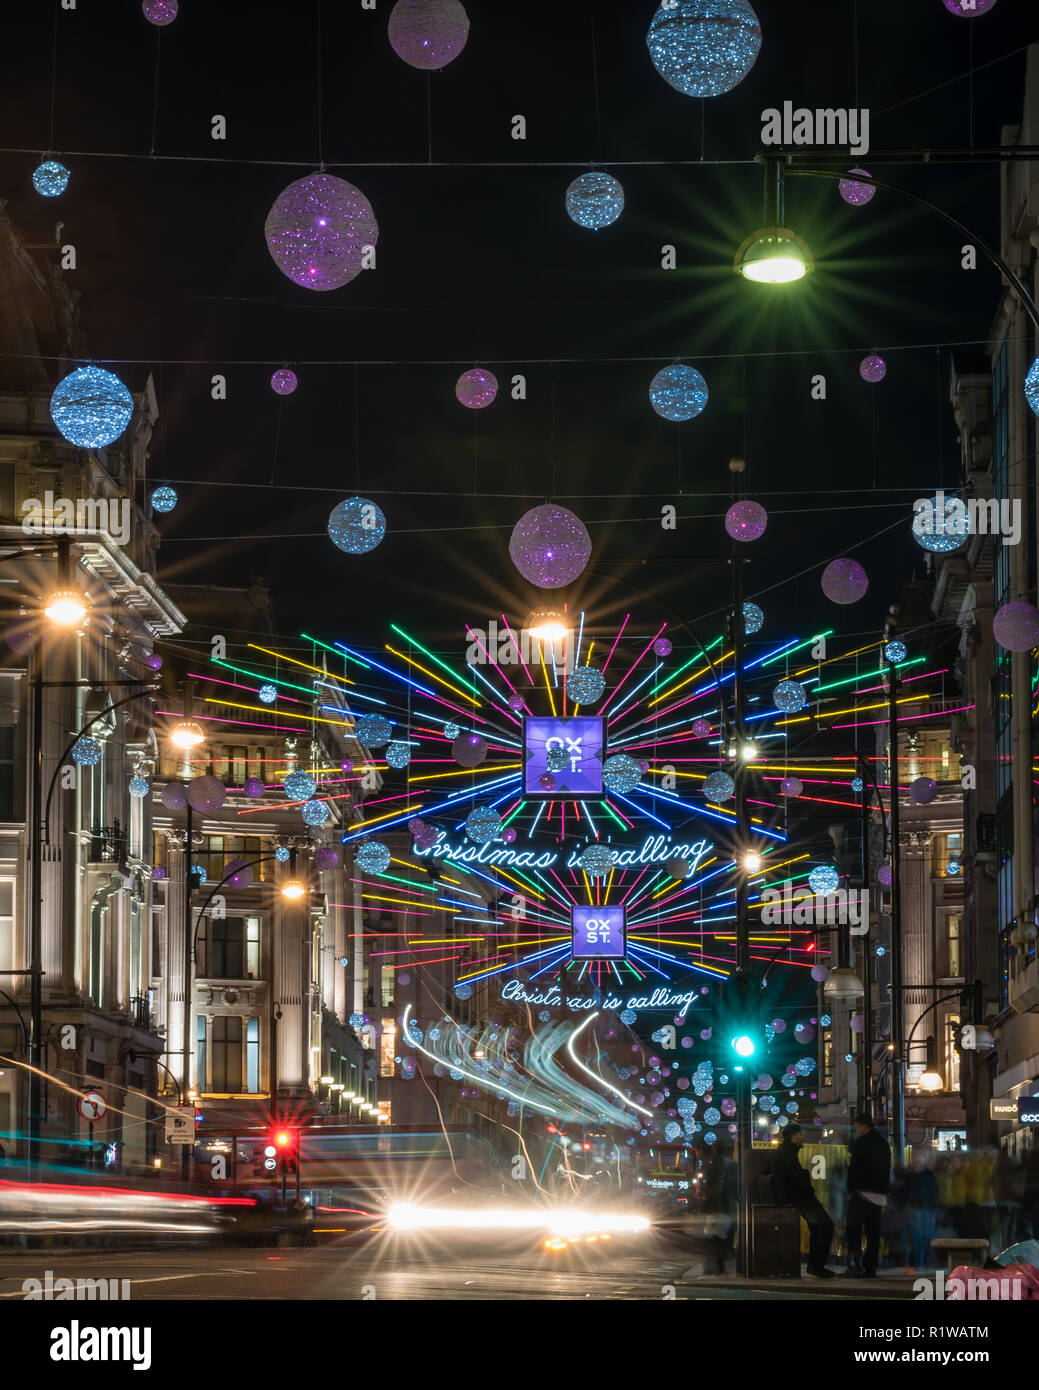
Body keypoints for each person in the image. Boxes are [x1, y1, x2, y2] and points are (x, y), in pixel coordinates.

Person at [770, 1123, 835, 1278]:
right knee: (826, 1226)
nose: (803, 1137)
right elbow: (795, 1178)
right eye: (800, 1134)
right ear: (793, 1137)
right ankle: (816, 1266)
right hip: (802, 1198)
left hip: (796, 1197)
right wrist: (807, 1183)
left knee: (816, 1228)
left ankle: (815, 1266)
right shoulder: (788, 1154)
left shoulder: (785, 1152)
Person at [845, 1112, 891, 1278]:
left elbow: (853, 1165)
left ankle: (854, 1264)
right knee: (873, 1232)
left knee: (854, 1230)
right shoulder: (883, 1143)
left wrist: (851, 1188)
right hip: (879, 1195)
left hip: (862, 1192)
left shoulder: (861, 1143)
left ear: (864, 1125)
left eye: (857, 1126)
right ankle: (871, 1267)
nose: (856, 1129)